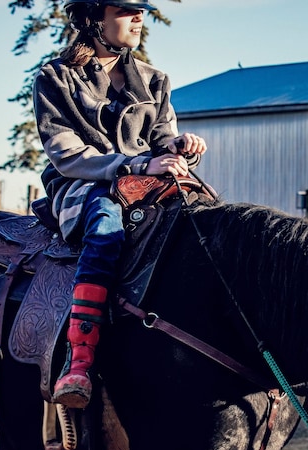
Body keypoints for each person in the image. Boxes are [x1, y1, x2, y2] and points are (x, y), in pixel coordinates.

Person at [34, 0, 206, 408]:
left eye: (141, 11)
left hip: (148, 182)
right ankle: (79, 361)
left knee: (206, 222)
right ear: (94, 17)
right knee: (107, 227)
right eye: (126, 10)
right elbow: (67, 155)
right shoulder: (55, 77)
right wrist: (136, 162)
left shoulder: (154, 80)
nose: (138, 18)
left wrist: (182, 147)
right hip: (83, 185)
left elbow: (164, 137)